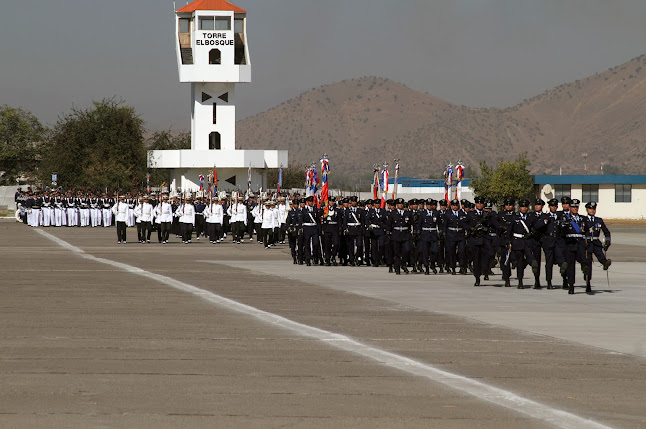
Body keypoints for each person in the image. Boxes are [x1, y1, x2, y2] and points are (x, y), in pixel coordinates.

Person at [507, 199, 539, 289]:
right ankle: (520, 281)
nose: (524, 208)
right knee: (520, 262)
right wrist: (508, 241)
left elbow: (535, 228)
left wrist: (532, 233)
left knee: (531, 257)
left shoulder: (531, 217)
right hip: (518, 241)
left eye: (526, 207)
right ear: (519, 207)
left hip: (528, 241)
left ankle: (533, 263)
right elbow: (510, 230)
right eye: (522, 207)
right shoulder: (514, 217)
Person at [561, 199, 590, 294]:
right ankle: (571, 285)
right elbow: (560, 232)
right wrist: (564, 225)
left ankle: (585, 270)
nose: (575, 209)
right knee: (570, 266)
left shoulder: (582, 218)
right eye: (573, 207)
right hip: (570, 243)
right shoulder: (565, 218)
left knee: (584, 260)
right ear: (569, 208)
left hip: (580, 243)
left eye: (576, 207)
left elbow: (587, 230)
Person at [583, 201, 612, 293]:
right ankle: (588, 283)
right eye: (590, 208)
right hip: (587, 243)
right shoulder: (583, 219)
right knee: (588, 264)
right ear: (587, 209)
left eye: (594, 209)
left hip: (596, 242)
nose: (592, 210)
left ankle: (605, 263)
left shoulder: (599, 220)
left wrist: (607, 241)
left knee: (600, 255)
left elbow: (606, 232)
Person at [466, 196, 490, 285]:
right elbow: (463, 223)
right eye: (478, 203)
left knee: (487, 257)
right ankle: (477, 278)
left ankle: (486, 270)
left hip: (484, 239)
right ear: (475, 204)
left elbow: (492, 224)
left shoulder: (487, 214)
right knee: (476, 260)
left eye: (481, 203)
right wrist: (471, 228)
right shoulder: (470, 214)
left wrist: (486, 229)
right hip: (475, 240)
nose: (479, 205)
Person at [416, 198, 440, 275]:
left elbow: (439, 224)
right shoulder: (422, 213)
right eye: (428, 205)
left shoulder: (436, 213)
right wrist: (418, 233)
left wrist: (441, 232)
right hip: (425, 234)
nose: (429, 206)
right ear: (426, 205)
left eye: (431, 205)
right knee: (425, 252)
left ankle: (432, 263)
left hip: (433, 234)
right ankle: (426, 267)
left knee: (435, 251)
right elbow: (419, 224)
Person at [444, 199, 467, 275]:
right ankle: (453, 267)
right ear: (451, 206)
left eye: (456, 205)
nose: (455, 207)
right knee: (452, 252)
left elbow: (465, 223)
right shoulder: (447, 214)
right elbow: (445, 225)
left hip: (460, 234)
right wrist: (445, 234)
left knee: (462, 251)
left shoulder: (462, 213)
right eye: (453, 205)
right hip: (451, 234)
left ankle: (462, 266)